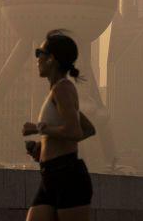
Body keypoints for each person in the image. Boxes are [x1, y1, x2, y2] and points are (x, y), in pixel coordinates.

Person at [23, 30, 93, 221]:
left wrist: (38, 128)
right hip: (50, 175)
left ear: (51, 59)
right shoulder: (59, 91)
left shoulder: (63, 88)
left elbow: (74, 131)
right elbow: (88, 129)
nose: (36, 58)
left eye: (39, 53)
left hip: (67, 176)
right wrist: (43, 147)